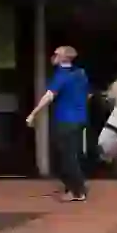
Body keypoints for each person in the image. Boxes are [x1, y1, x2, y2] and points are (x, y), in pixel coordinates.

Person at [26, 46, 90, 201]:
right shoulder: (81, 74)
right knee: (72, 154)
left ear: (64, 58)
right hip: (80, 119)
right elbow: (88, 95)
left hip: (65, 120)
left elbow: (48, 96)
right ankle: (74, 188)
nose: (53, 56)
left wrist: (33, 114)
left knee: (66, 156)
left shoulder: (61, 75)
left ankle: (78, 190)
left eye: (56, 54)